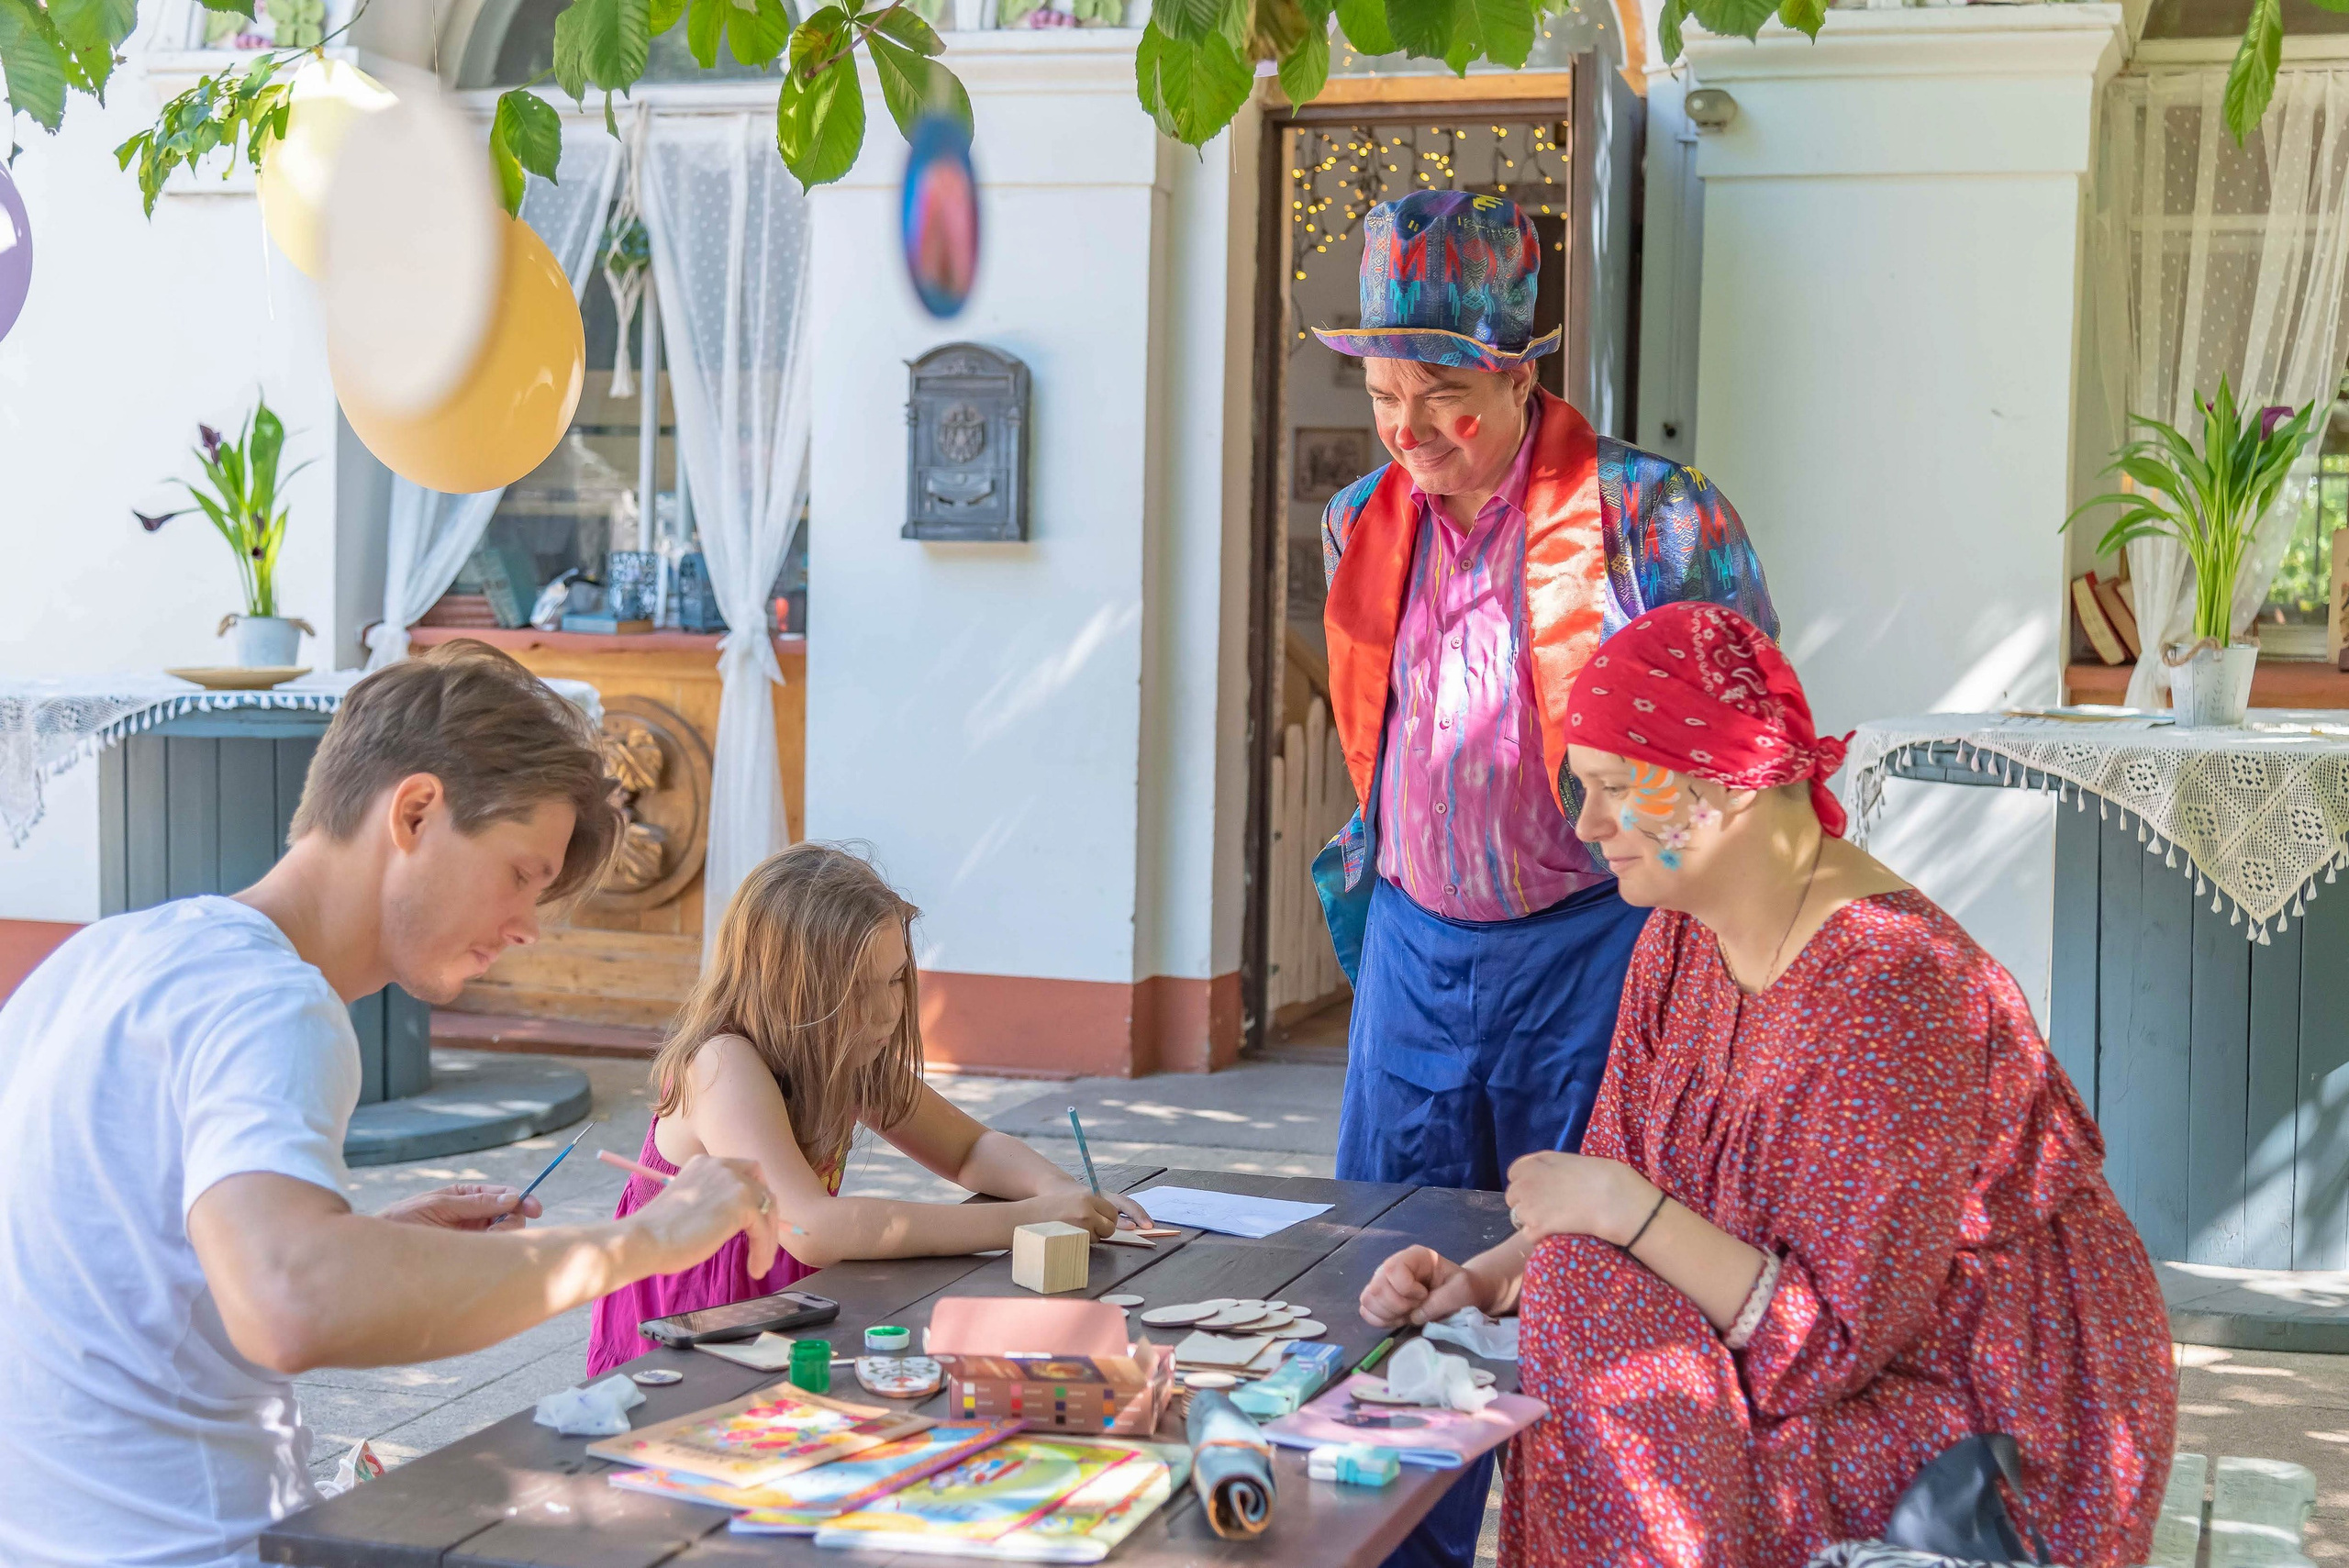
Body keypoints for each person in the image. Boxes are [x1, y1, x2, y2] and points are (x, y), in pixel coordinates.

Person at [1358, 603, 2176, 1568]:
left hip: (1975, 1424)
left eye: (1615, 787)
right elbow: (1610, 1213)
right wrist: (1482, 1281)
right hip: (1813, 1357)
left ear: (1726, 785)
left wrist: (1625, 1208)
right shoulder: (1678, 936)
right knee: (1573, 1303)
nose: (1586, 825)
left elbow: (1827, 1344)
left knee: (1592, 1341)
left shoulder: (1893, 987)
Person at [0, 642, 785, 1568]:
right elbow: (290, 1301)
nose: (531, 922)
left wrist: (369, 1239)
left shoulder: (101, 959)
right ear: (415, 811)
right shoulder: (275, 1001)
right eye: (522, 872)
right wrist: (648, 1240)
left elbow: (109, 1267)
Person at [1311, 189, 1776, 1568]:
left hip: (1589, 950)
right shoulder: (1359, 519)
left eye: (1441, 394)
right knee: (1391, 1278)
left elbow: (1752, 751)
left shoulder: (1656, 515)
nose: (1407, 431)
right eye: (1385, 395)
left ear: (1520, 374)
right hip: (1413, 948)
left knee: (1582, 1286)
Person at [589, 842, 1154, 1374]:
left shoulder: (839, 1051)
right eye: (859, 989)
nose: (887, 1010)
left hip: (783, 1314)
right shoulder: (721, 1065)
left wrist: (1057, 1193)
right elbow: (811, 1225)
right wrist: (1021, 1221)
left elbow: (969, 1149)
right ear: (792, 992)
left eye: (895, 980)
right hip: (687, 1331)